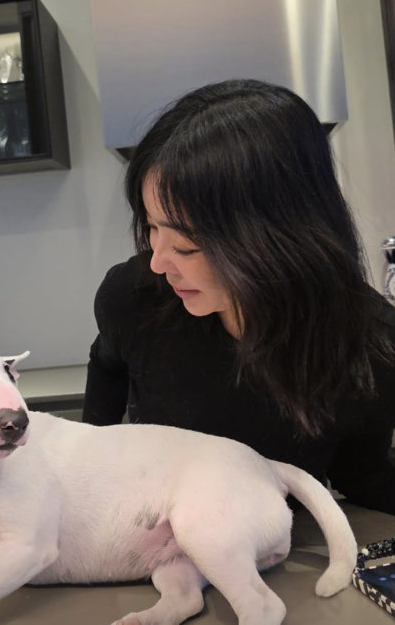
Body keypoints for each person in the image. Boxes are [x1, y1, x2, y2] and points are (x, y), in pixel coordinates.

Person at [82, 79, 395, 515]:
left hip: (273, 546)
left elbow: (361, 473)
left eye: (186, 245)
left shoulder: (369, 343)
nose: (158, 262)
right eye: (151, 227)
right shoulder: (133, 298)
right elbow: (107, 365)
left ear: (279, 237)